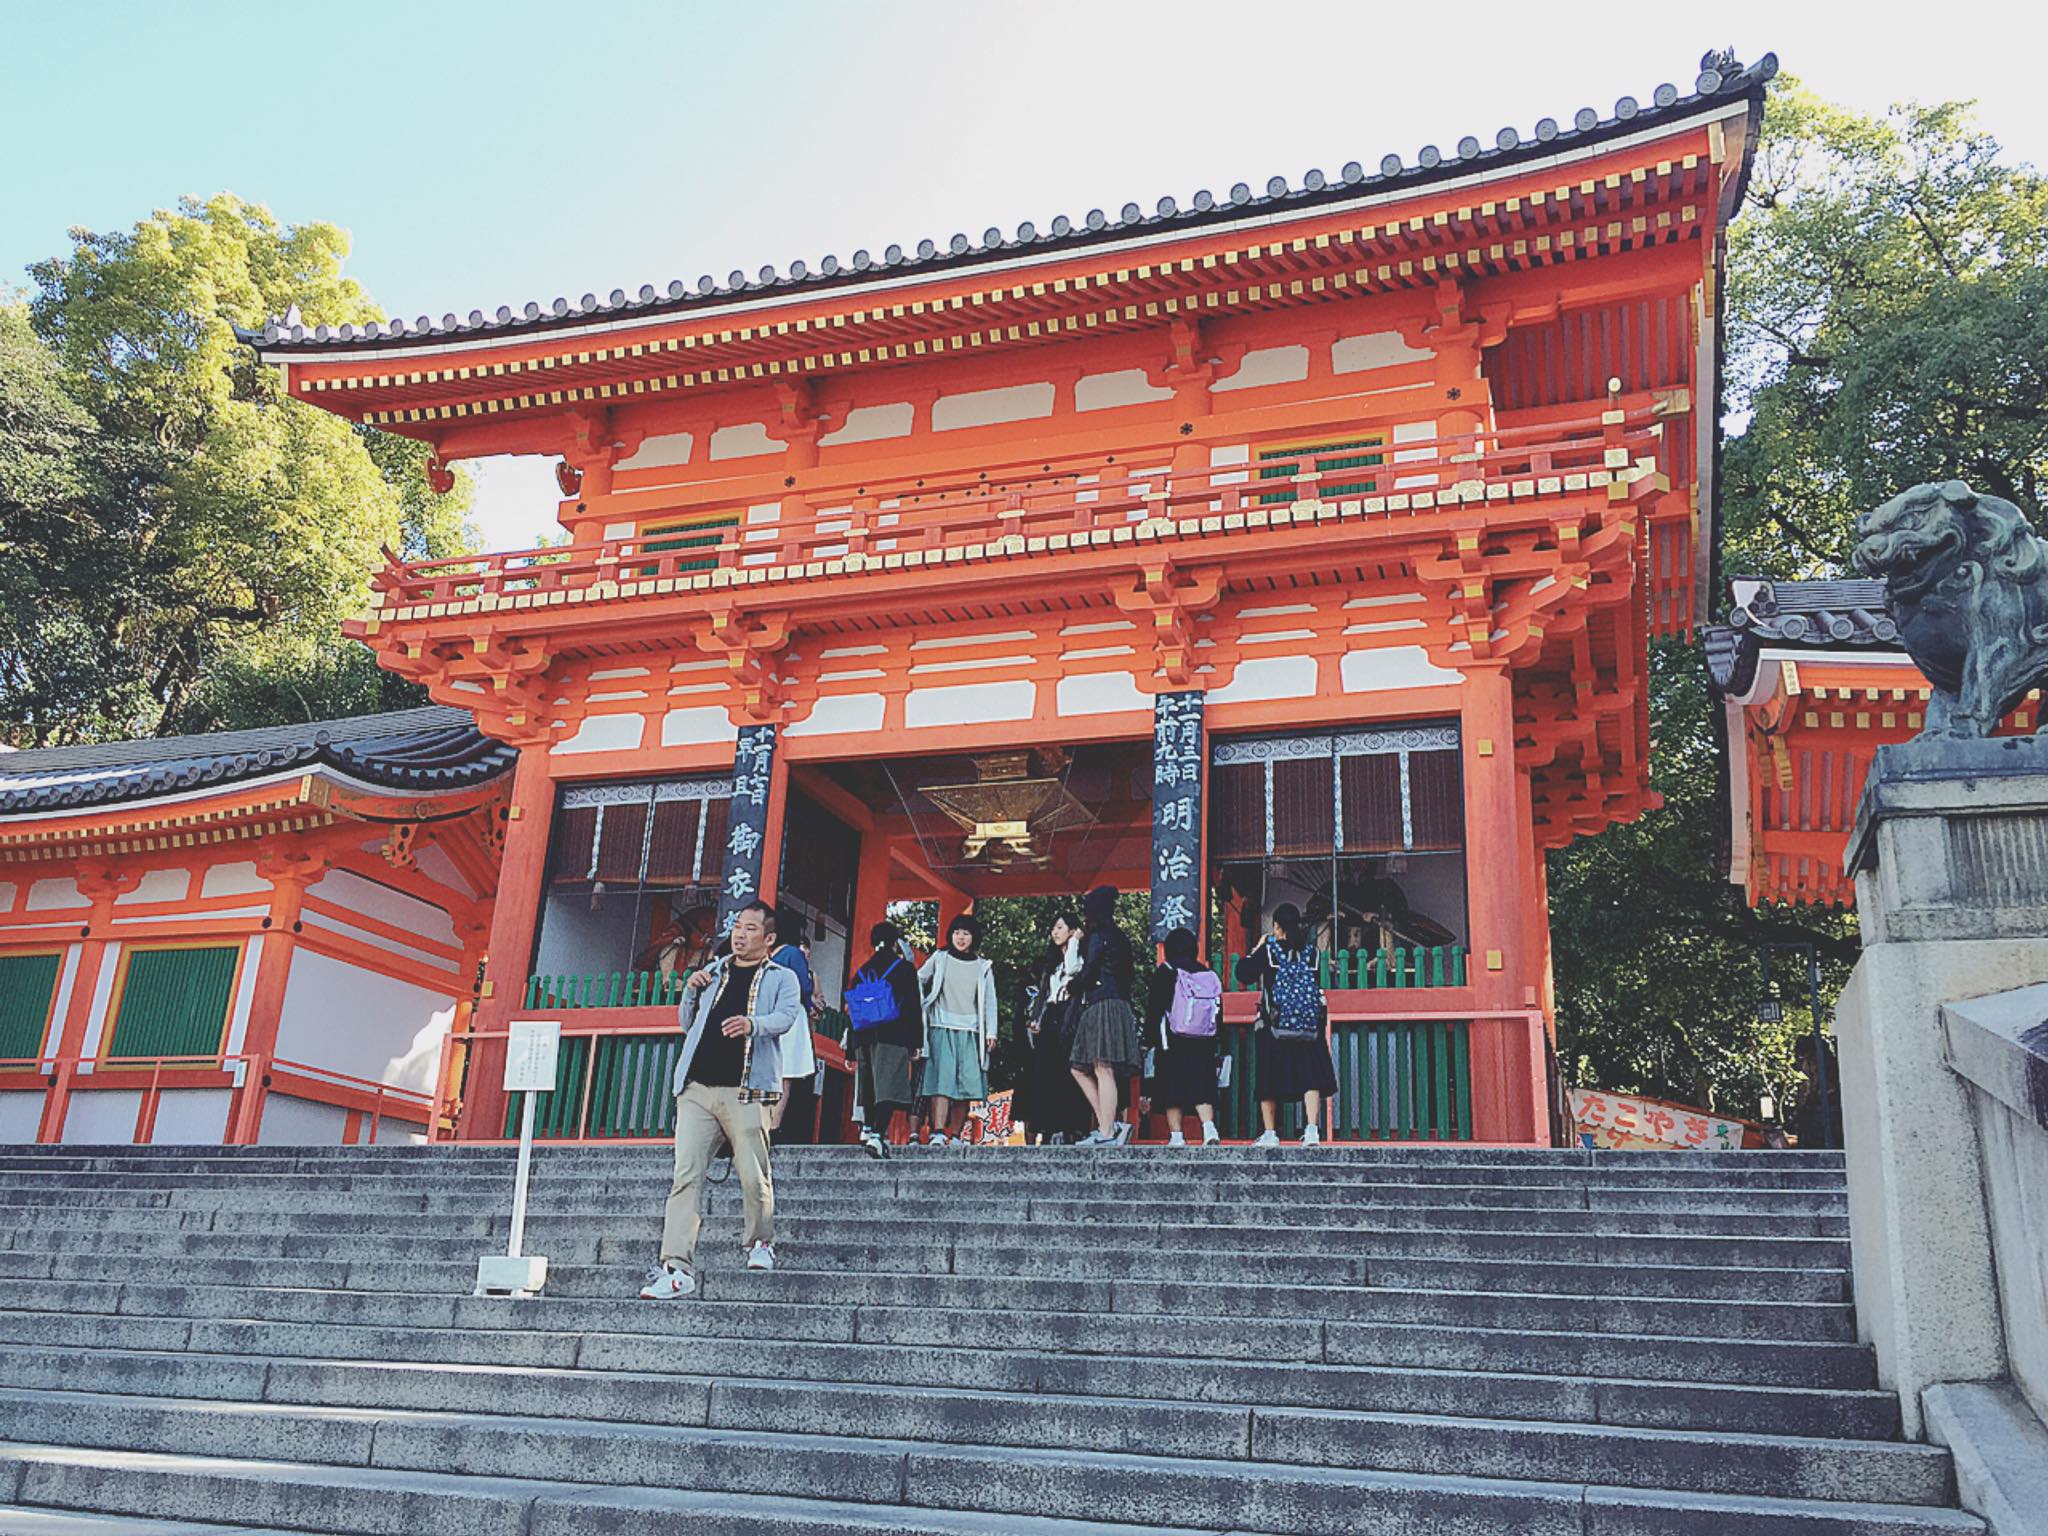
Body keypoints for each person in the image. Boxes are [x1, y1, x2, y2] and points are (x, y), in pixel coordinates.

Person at [640, 899, 802, 1300]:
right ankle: (676, 1267)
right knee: (686, 1176)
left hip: (746, 1088)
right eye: (738, 927)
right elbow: (686, 1024)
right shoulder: (712, 972)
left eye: (750, 929)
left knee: (752, 1172)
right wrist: (690, 993)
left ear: (769, 939)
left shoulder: (782, 977)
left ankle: (760, 1241)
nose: (740, 935)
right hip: (696, 1088)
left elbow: (787, 1017)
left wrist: (753, 1024)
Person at [1235, 902, 1337, 1147]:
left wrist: (1256, 949)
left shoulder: (1269, 951)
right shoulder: (1312, 952)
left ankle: (1270, 1133)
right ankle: (1312, 1129)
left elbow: (1244, 975)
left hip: (1275, 1024)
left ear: (1277, 927)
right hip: (1307, 1025)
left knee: (1269, 1076)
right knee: (1310, 1075)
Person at [1069, 885, 1142, 1146]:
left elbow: (1088, 974)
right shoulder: (1120, 937)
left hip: (1101, 1004)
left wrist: (1072, 985)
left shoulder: (1098, 936)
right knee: (1090, 1068)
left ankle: (1108, 1131)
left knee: (1100, 1068)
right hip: (1119, 1002)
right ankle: (1108, 1125)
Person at [917, 914, 998, 1146]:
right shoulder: (940, 958)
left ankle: (955, 1135)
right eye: (956, 932)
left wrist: (991, 1032)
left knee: (966, 1086)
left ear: (974, 937)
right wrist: (922, 1008)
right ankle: (938, 1132)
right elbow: (919, 979)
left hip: (972, 1031)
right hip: (941, 1026)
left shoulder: (983, 966)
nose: (961, 938)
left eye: (966, 933)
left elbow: (990, 1002)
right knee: (941, 1083)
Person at [845, 920, 923, 1159]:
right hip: (894, 1035)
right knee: (888, 1087)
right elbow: (913, 1008)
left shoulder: (861, 972)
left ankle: (868, 1129)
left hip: (865, 1036)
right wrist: (916, 1042)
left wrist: (850, 1049)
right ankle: (878, 1135)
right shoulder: (905, 970)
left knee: (868, 1086)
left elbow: (852, 1011)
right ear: (895, 942)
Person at [1150, 926, 1223, 1147]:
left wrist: (1149, 1038)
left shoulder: (1166, 971)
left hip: (1172, 1039)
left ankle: (1177, 1136)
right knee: (1202, 1084)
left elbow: (1155, 1008)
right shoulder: (1207, 974)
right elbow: (1218, 1009)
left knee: (1172, 1085)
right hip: (1203, 1040)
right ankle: (1209, 1128)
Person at [1017, 911, 1085, 1145]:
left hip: (1071, 1016)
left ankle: (1069, 1127)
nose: (1055, 932)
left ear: (1073, 930)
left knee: (1068, 1073)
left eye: (1060, 927)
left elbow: (1074, 970)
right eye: (1054, 928)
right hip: (1050, 1018)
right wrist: (1036, 1018)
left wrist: (1075, 942)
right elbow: (1045, 995)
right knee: (1045, 1075)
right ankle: (1047, 1128)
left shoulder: (1079, 955)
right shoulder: (1051, 963)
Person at [768, 933, 818, 1134]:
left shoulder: (768, 957)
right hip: (791, 1016)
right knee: (786, 1074)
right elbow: (803, 988)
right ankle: (775, 1125)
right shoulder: (793, 954)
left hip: (769, 1015)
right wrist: (810, 1005)